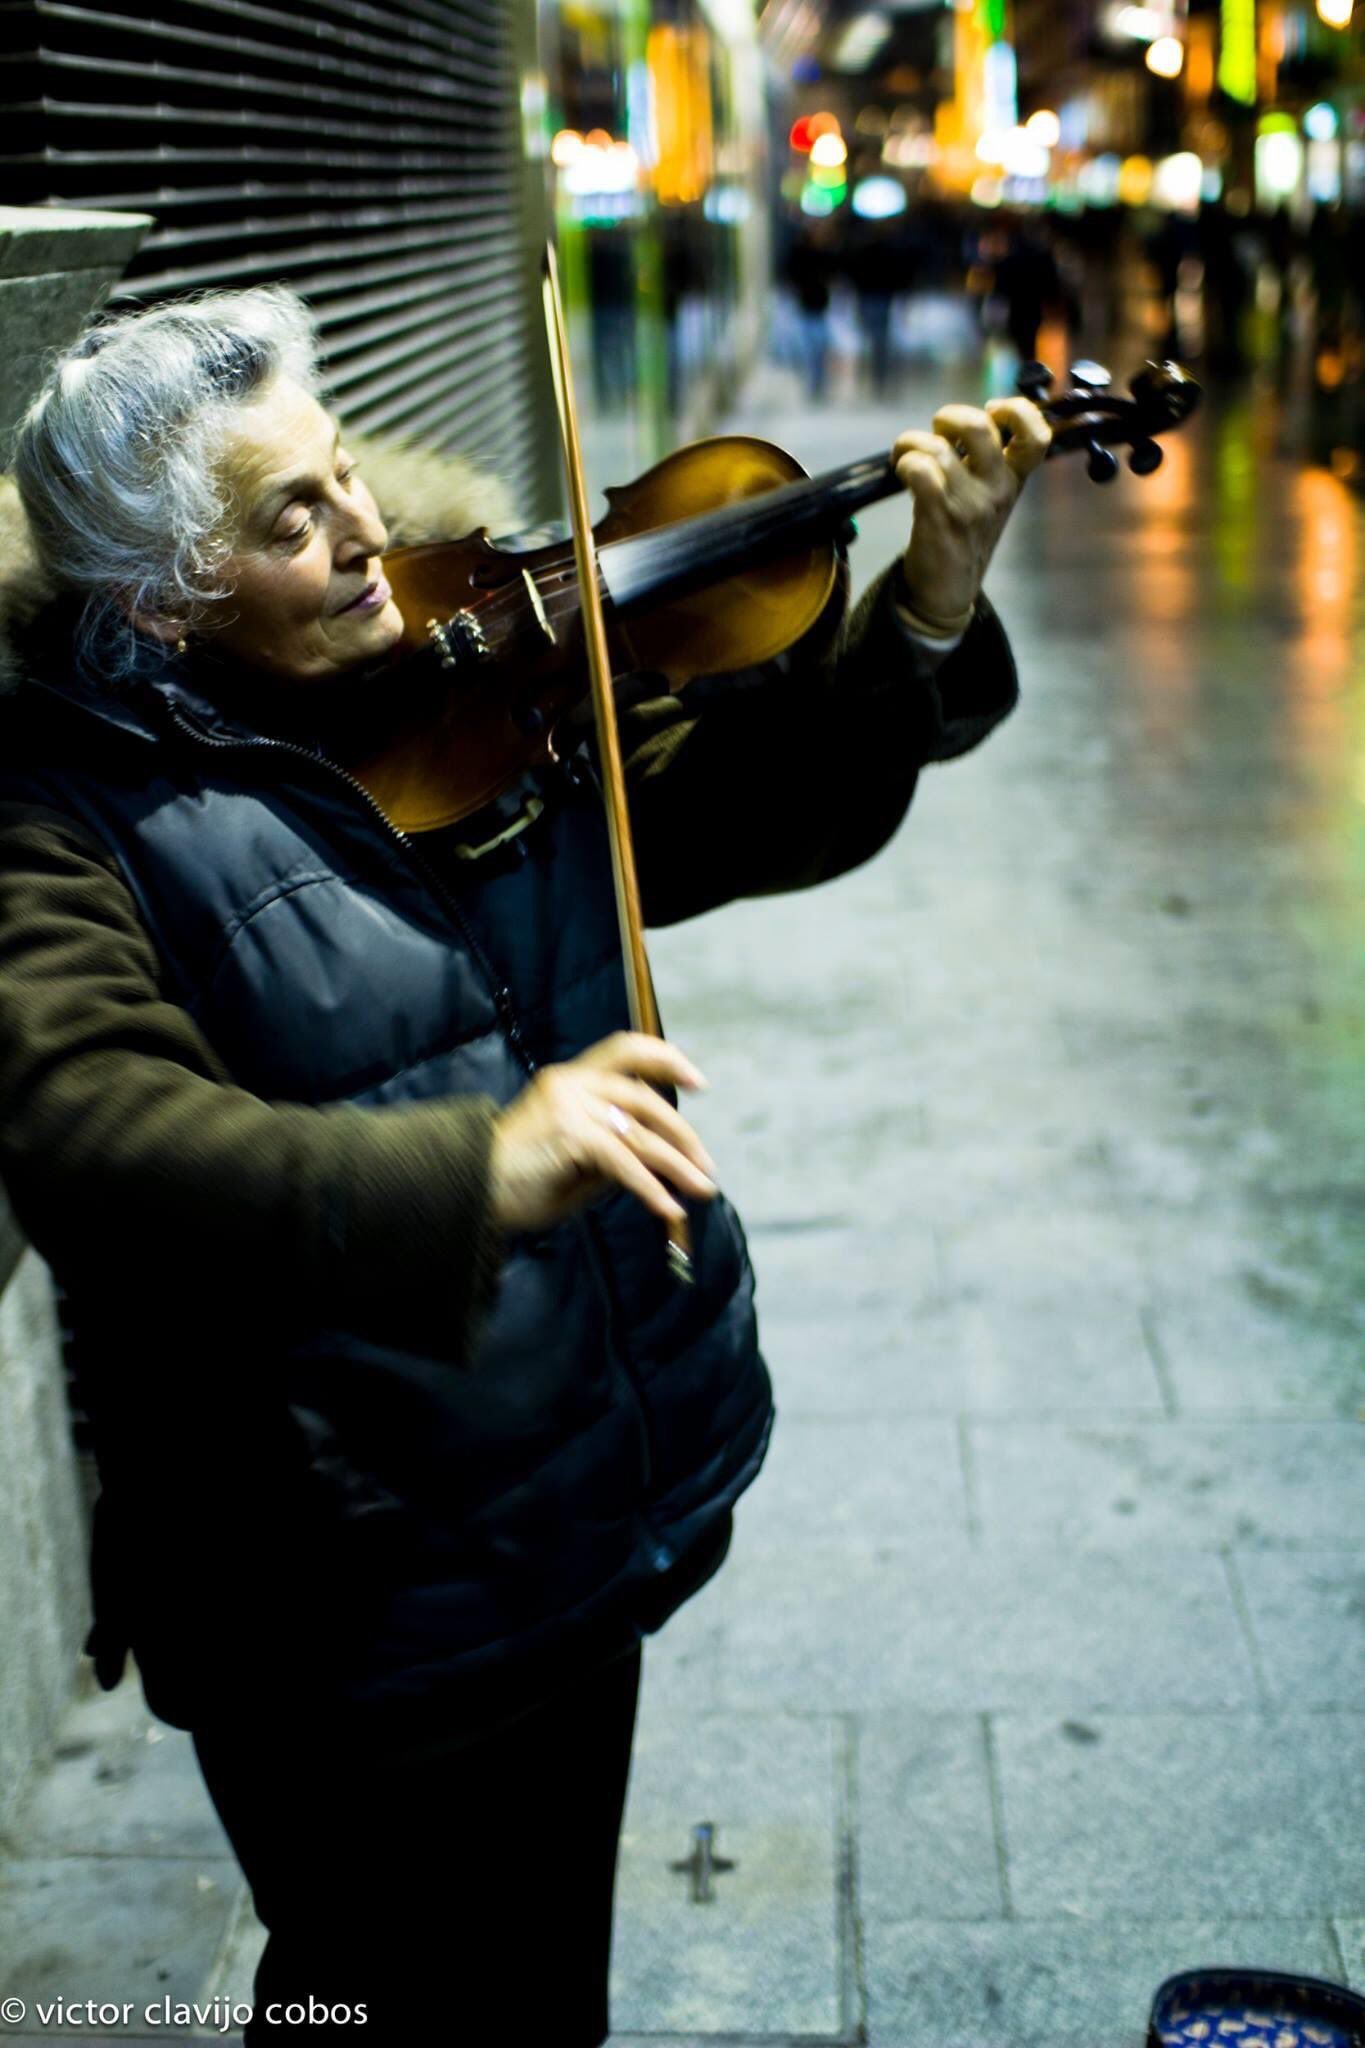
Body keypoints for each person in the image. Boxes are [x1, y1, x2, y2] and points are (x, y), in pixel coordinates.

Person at [0, 287, 1049, 2042]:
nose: (366, 541)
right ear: (158, 601)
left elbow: (734, 813)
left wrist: (920, 612)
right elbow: (92, 1132)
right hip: (342, 1589)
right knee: (370, 1997)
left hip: (566, 1503)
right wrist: (477, 1171)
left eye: (346, 478)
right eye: (292, 519)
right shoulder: (54, 817)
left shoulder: (475, 673)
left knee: (542, 1992)